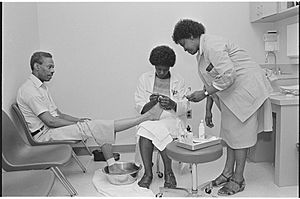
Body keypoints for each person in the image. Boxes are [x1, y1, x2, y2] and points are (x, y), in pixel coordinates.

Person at [17, 51, 163, 174]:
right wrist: (81, 126)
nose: (52, 71)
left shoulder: (41, 88)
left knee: (97, 125)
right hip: (45, 135)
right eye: (49, 67)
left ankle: (112, 165)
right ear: (37, 66)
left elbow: (58, 115)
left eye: (53, 67)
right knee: (97, 126)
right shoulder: (30, 90)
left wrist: (79, 121)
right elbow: (51, 121)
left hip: (51, 129)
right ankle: (144, 118)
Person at [172, 19, 273, 196]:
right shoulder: (202, 53)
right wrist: (208, 109)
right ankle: (227, 173)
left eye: (183, 44)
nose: (184, 49)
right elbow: (212, 81)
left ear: (191, 36)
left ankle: (238, 179)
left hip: (246, 92)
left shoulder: (212, 46)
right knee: (230, 135)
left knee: (240, 139)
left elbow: (228, 75)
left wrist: (203, 95)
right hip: (233, 95)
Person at [134, 45, 189, 189]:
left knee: (150, 130)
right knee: (145, 129)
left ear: (170, 67)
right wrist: (151, 102)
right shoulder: (144, 79)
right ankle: (149, 173)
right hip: (150, 118)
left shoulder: (179, 80)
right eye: (159, 69)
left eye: (165, 69)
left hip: (171, 118)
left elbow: (185, 105)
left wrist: (172, 103)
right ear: (154, 66)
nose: (162, 72)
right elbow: (140, 106)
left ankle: (168, 172)